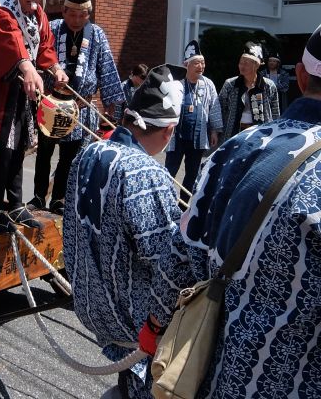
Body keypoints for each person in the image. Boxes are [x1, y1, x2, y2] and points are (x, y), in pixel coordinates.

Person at [179, 24, 321, 398]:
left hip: (209, 370)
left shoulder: (230, 153)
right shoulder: (229, 88)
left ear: (300, 76)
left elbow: (183, 258)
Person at [63, 64, 194, 399]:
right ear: (169, 131)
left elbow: (69, 231)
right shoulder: (145, 173)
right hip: (132, 319)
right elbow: (168, 263)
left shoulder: (88, 152)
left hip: (92, 302)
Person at [0, 0, 68, 231]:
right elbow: (11, 40)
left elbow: (46, 46)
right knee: (2, 148)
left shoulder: (39, 14)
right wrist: (27, 67)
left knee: (19, 147)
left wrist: (55, 68)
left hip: (24, 90)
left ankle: (15, 204)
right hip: (0, 89)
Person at [32, 0, 124, 214]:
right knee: (44, 153)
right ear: (64, 11)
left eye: (82, 15)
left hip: (80, 107)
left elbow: (106, 68)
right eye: (72, 14)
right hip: (52, 103)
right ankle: (38, 197)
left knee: (70, 157)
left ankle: (59, 199)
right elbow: (38, 57)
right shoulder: (52, 28)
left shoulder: (97, 34)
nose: (76, 20)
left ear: (88, 15)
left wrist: (111, 103)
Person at [164, 40, 222, 199]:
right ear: (187, 64)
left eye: (203, 63)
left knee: (192, 174)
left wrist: (214, 130)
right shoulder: (176, 83)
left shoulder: (208, 84)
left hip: (197, 138)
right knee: (169, 171)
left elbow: (214, 107)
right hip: (177, 136)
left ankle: (183, 205)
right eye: (197, 63)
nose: (201, 66)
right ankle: (165, 201)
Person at [218, 41, 280, 143]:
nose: (242, 66)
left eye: (246, 64)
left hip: (260, 133)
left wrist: (275, 132)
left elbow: (275, 111)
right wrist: (217, 130)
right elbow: (221, 107)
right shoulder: (230, 84)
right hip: (233, 132)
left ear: (256, 65)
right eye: (240, 63)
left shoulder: (268, 85)